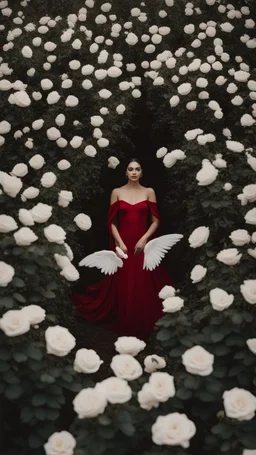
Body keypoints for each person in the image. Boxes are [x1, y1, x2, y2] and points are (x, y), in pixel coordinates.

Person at [72, 158, 174, 337]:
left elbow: (156, 221)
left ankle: (143, 321)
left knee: (144, 280)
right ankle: (127, 320)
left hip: (142, 244)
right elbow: (112, 222)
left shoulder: (149, 191)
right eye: (130, 169)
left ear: (141, 172)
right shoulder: (116, 192)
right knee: (125, 280)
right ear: (125, 173)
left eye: (137, 169)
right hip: (124, 243)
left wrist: (144, 239)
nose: (134, 172)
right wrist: (119, 242)